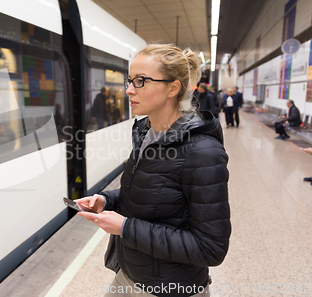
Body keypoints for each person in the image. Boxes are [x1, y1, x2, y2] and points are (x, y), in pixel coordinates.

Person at [75, 44, 231, 297]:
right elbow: (146, 190)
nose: (128, 90)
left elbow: (211, 248)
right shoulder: (147, 133)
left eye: (140, 81)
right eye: (130, 81)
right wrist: (106, 200)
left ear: (173, 88)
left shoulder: (203, 153)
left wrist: (125, 228)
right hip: (129, 275)